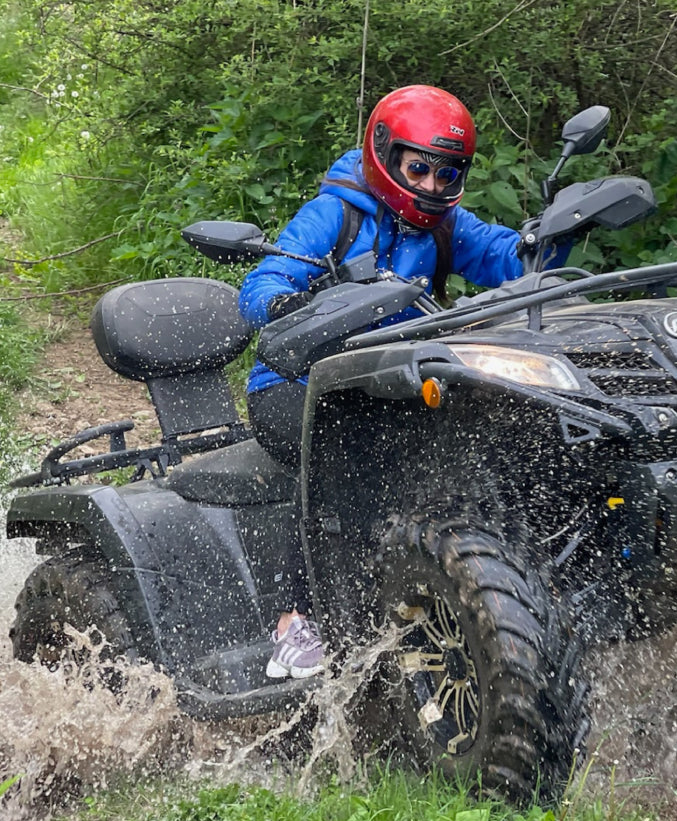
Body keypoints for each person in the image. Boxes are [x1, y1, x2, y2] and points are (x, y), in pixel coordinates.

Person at [239, 84, 568, 681]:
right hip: (294, 383)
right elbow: (261, 285)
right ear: (384, 155)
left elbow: (505, 256)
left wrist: (550, 234)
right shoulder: (334, 213)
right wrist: (295, 301)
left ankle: (492, 582)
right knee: (343, 441)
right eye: (419, 169)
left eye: (448, 175)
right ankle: (295, 622)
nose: (432, 187)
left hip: (389, 382)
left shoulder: (441, 226)